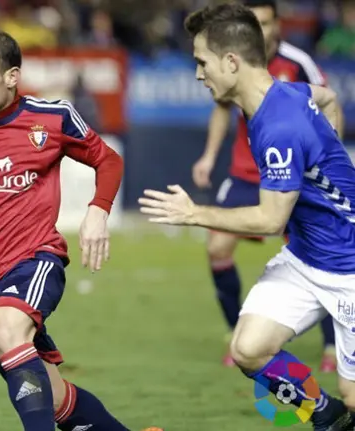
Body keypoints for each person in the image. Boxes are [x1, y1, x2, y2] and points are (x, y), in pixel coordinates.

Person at [139, 4, 355, 430]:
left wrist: (196, 213)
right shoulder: (285, 94)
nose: (199, 74)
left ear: (231, 62)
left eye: (202, 62)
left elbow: (271, 220)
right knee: (249, 349)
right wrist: (329, 150)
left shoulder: (279, 127)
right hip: (307, 259)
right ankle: (327, 418)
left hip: (348, 268)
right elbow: (327, 97)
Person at [0, 30, 138, 431]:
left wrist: (98, 212)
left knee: (6, 328)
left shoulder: (54, 117)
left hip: (35, 261)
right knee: (53, 398)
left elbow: (110, 161)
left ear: (12, 76)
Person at [190, 0, 340, 371]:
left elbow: (326, 99)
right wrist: (209, 157)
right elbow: (222, 110)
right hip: (247, 172)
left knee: (318, 252)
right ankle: (238, 333)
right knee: (219, 250)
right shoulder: (239, 82)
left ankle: (332, 348)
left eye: (267, 21)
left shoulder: (294, 71)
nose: (198, 74)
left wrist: (191, 213)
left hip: (299, 189)